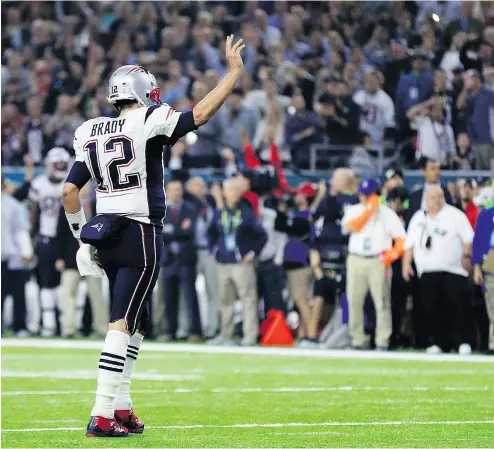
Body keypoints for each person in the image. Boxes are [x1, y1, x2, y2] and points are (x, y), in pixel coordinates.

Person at [62, 35, 246, 438]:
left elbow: (69, 191)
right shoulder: (150, 119)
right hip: (139, 233)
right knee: (122, 321)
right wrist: (233, 72)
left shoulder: (89, 129)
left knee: (137, 322)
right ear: (144, 92)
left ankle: (122, 407)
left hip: (105, 233)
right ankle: (102, 413)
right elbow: (200, 114)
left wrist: (80, 239)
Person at [402, 186, 474, 355]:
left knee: (458, 308)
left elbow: (468, 238)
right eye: (432, 197)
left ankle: (463, 342)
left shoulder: (455, 215)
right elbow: (409, 244)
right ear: (426, 199)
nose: (436, 200)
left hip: (453, 270)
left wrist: (465, 256)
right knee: (432, 309)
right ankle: (439, 342)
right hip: (427, 271)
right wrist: (406, 264)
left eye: (439, 196)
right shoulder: (419, 217)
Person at [342, 178, 407, 350]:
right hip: (356, 258)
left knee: (382, 302)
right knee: (354, 301)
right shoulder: (354, 210)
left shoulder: (387, 214)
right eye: (362, 195)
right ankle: (358, 339)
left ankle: (382, 340)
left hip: (378, 260)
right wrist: (367, 213)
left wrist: (391, 255)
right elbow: (347, 228)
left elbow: (401, 238)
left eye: (368, 195)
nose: (364, 198)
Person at [207, 178, 267, 346]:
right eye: (230, 190)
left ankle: (250, 335)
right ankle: (226, 335)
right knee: (225, 300)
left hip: (241, 263)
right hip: (223, 262)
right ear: (224, 193)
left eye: (236, 190)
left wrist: (253, 253)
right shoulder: (219, 213)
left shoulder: (246, 212)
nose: (233, 193)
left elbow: (262, 235)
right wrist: (213, 251)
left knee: (248, 299)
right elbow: (210, 233)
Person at [29, 147, 71, 337]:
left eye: (63, 164)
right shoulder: (38, 184)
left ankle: (65, 325)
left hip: (65, 240)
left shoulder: (71, 185)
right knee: (46, 283)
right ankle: (49, 324)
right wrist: (32, 239)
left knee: (67, 285)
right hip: (45, 238)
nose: (60, 167)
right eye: (58, 164)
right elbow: (33, 213)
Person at [161, 179, 202, 342]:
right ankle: (169, 331)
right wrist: (178, 230)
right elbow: (158, 233)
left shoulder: (191, 209)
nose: (176, 192)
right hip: (168, 259)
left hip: (186, 259)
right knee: (168, 297)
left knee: (190, 297)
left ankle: (194, 331)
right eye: (172, 189)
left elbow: (189, 232)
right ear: (166, 191)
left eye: (179, 189)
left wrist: (170, 230)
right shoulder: (160, 210)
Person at [1, 177, 33, 337]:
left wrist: (27, 251)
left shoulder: (12, 205)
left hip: (10, 257)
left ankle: (19, 326)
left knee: (17, 294)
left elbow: (21, 230)